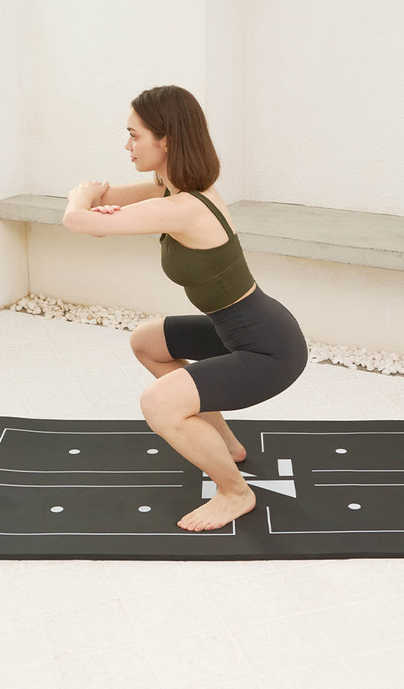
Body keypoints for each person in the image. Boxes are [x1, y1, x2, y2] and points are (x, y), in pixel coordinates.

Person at [63, 85, 308, 532]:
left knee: (159, 404)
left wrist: (80, 194)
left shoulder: (184, 208)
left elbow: (80, 220)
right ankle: (225, 444)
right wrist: (96, 200)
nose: (127, 146)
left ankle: (236, 493)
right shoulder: (171, 189)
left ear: (167, 140)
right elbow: (104, 205)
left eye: (134, 135)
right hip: (236, 328)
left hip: (269, 350)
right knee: (148, 342)